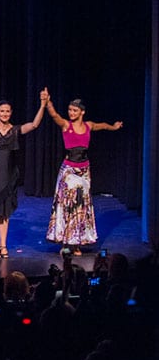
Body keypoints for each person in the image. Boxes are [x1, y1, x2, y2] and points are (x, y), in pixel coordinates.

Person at [0, 85, 49, 258]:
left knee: (5, 214)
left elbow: (35, 124)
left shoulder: (15, 131)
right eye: (2, 111)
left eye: (8, 111)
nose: (5, 114)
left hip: (9, 175)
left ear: (11, 112)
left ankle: (3, 245)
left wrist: (43, 104)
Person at [45, 97, 123, 255]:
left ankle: (77, 242)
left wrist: (114, 127)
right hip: (69, 171)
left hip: (84, 171)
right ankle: (66, 243)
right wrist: (48, 102)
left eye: (74, 110)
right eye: (69, 110)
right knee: (68, 204)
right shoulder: (66, 125)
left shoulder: (89, 125)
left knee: (81, 206)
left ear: (82, 112)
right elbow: (54, 115)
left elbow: (103, 126)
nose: (71, 113)